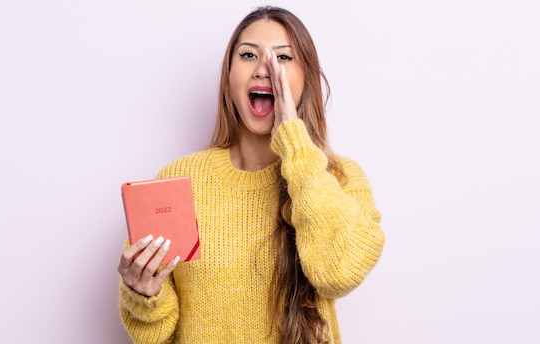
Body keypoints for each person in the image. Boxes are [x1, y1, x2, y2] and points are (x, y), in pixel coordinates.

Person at [117, 5, 385, 344]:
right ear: (229, 78)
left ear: (307, 79)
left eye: (283, 58)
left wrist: (295, 143)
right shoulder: (178, 181)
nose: (264, 69)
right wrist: (143, 293)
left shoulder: (339, 177)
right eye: (248, 55)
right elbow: (156, 334)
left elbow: (338, 272)